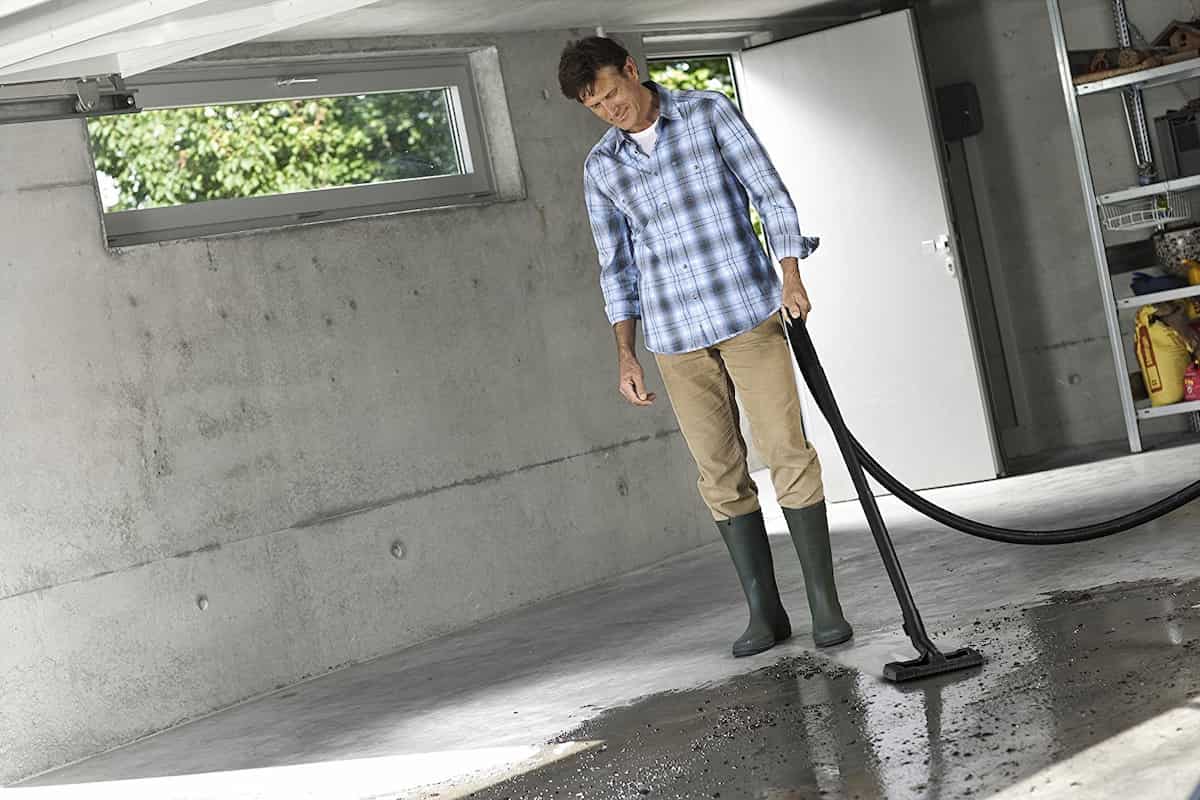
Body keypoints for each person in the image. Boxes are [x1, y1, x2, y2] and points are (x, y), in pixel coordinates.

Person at [558, 36, 853, 657]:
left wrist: (791, 275)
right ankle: (765, 613)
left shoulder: (708, 112)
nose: (609, 110)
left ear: (631, 70)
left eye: (611, 94)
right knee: (718, 473)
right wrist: (626, 353)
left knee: (787, 452)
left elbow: (770, 195)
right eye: (594, 106)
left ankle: (825, 605)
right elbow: (616, 266)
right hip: (673, 337)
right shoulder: (601, 167)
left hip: (746, 314)